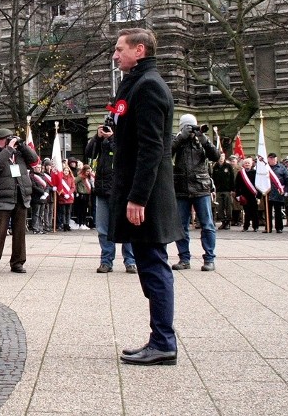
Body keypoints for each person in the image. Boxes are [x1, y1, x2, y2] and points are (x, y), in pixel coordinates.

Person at [108, 28, 181, 366]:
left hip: (147, 196)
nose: (114, 54)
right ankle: (159, 338)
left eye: (119, 49)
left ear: (139, 50)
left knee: (153, 265)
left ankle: (164, 341)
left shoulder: (148, 85)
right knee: (149, 264)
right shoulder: (137, 82)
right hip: (142, 191)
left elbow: (152, 149)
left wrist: (137, 198)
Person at [0, 127, 38, 274]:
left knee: (19, 232)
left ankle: (17, 263)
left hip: (21, 196)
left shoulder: (19, 153)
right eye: (6, 139)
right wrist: (7, 149)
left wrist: (23, 146)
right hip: (3, 197)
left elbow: (34, 160)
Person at [171, 113, 220, 271]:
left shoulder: (202, 141)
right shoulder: (176, 140)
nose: (191, 130)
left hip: (201, 188)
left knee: (207, 225)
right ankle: (184, 258)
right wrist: (181, 137)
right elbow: (166, 153)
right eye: (188, 127)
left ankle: (209, 258)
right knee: (181, 226)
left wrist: (203, 139)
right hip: (181, 188)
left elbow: (215, 156)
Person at [86, 122, 136, 274]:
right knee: (103, 229)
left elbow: (124, 156)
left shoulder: (124, 138)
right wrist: (97, 137)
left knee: (127, 227)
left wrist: (113, 138)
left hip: (121, 191)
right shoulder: (101, 142)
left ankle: (130, 261)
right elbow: (89, 153)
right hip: (102, 190)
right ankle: (106, 261)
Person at [234, 157, 261, 233]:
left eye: (248, 163)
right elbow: (237, 185)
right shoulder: (240, 173)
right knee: (247, 212)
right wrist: (238, 195)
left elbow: (259, 185)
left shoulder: (255, 173)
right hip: (244, 196)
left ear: (251, 164)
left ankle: (255, 226)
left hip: (253, 195)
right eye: (245, 163)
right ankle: (246, 226)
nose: (247, 164)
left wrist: (259, 196)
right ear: (243, 164)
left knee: (254, 212)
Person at [267, 153, 288, 233]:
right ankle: (268, 227)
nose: (272, 160)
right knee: (267, 211)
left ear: (276, 159)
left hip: (278, 192)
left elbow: (287, 180)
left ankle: (279, 227)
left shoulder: (282, 168)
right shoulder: (265, 167)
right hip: (267, 193)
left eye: (273, 158)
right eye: (270, 158)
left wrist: (286, 191)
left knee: (278, 212)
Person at [211, 153, 235, 230]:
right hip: (218, 190)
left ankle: (228, 222)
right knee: (219, 207)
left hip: (227, 190)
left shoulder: (228, 166)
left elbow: (232, 178)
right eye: (220, 156)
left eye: (222, 156)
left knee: (228, 207)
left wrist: (232, 189)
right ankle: (223, 222)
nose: (221, 158)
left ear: (224, 157)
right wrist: (213, 190)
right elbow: (213, 179)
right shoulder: (215, 167)